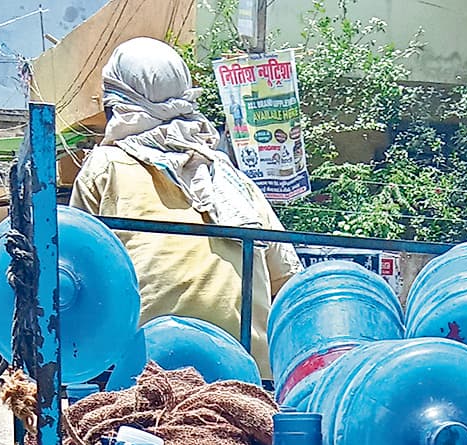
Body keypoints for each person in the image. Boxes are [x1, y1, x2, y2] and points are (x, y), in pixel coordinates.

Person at [70, 37, 302, 379]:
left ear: (118, 102)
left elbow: (79, 271)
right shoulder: (230, 178)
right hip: (248, 373)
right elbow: (286, 279)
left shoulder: (106, 166)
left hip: (147, 372)